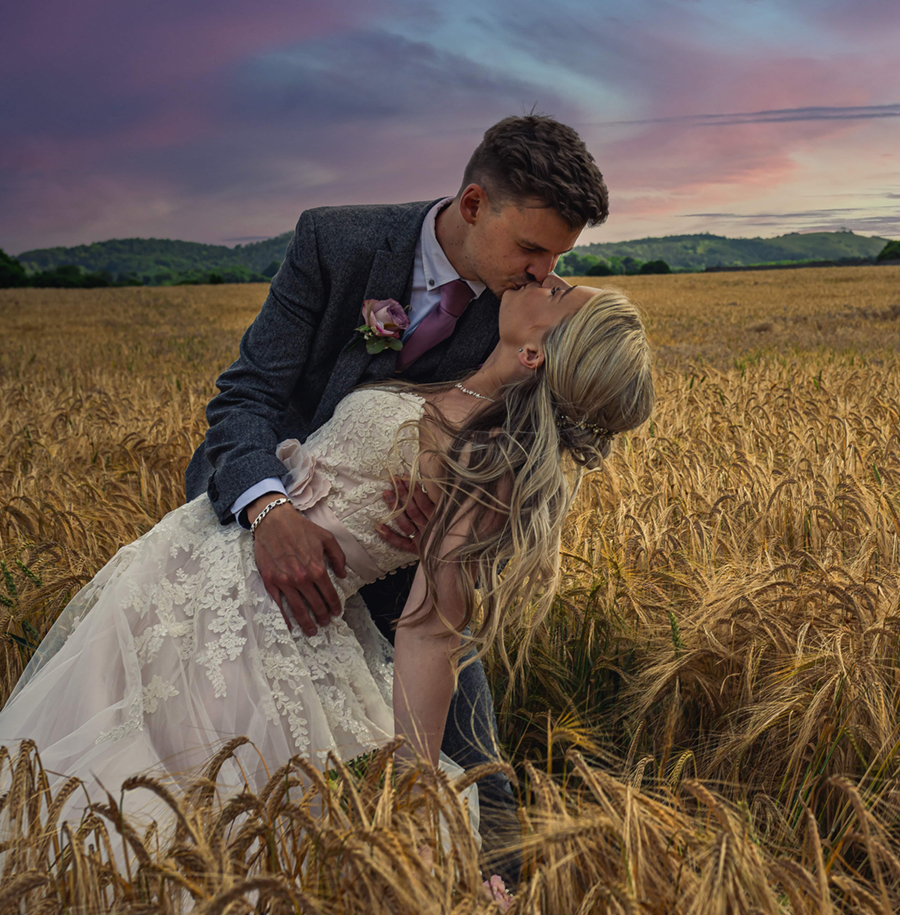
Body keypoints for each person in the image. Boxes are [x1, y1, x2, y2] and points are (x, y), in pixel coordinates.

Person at [0, 283, 654, 872]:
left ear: (538, 352)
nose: (544, 279)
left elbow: (428, 629)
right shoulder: (463, 376)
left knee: (160, 811)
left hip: (257, 624)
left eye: (557, 293)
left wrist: (414, 785)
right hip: (186, 567)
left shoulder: (485, 472)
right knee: (90, 759)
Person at [183, 113, 610, 877]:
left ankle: (484, 887)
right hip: (262, 525)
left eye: (559, 256)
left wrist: (439, 512)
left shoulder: (529, 316)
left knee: (476, 770)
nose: (547, 272)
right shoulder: (335, 242)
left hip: (404, 558)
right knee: (218, 753)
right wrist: (269, 511)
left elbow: (511, 455)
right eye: (533, 248)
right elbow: (245, 398)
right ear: (474, 203)